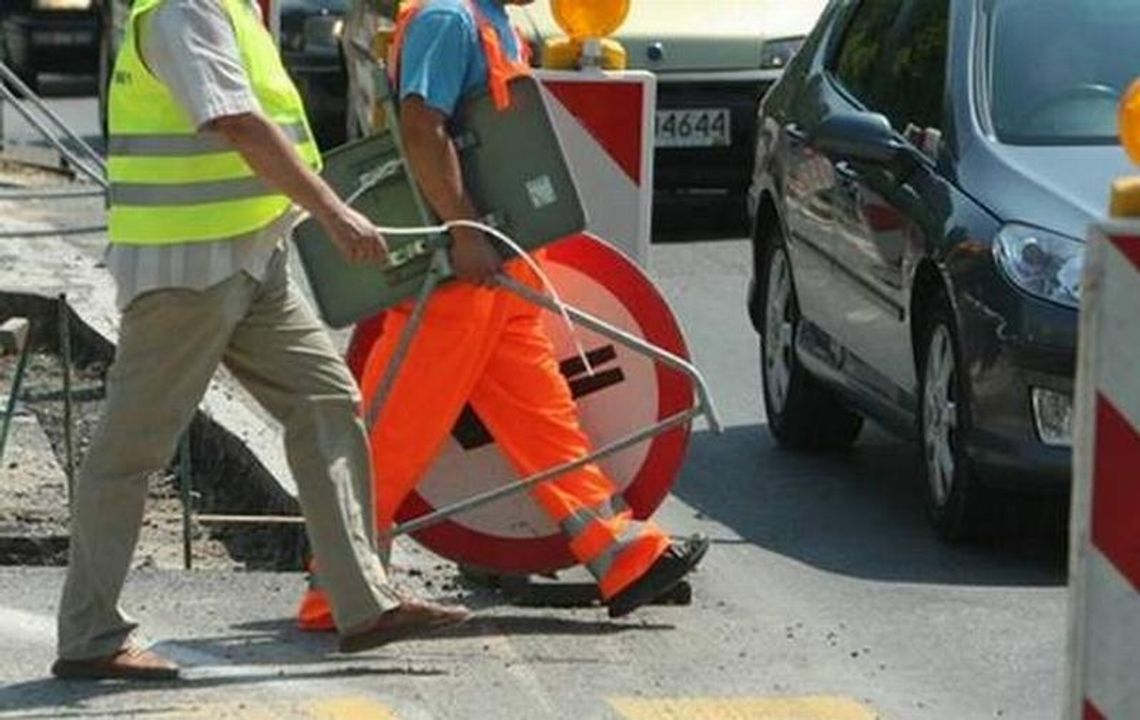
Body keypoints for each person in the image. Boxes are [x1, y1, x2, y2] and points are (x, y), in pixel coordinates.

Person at [51, 0, 470, 682]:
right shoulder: (183, 11)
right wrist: (331, 211)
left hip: (250, 259)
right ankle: (89, 635)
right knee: (129, 453)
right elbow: (234, 121)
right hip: (186, 270)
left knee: (327, 400)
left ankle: (361, 601)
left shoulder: (231, 7)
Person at [298, 0, 708, 630]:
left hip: (496, 266)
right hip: (453, 273)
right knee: (394, 426)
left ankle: (616, 551)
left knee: (543, 417)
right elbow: (419, 127)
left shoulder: (489, 21)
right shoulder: (447, 19)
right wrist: (464, 228)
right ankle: (337, 587)